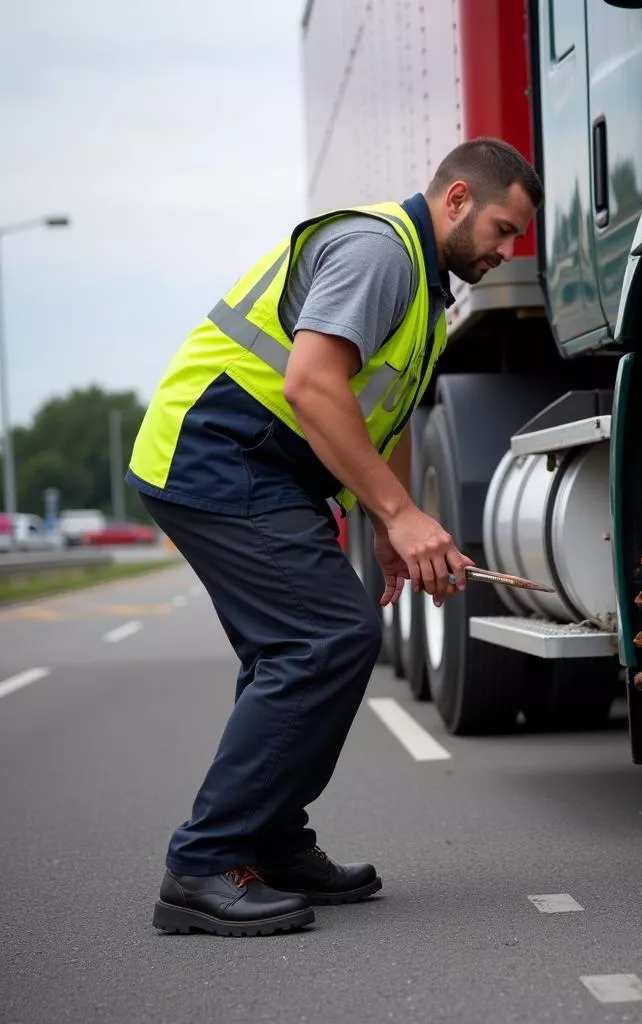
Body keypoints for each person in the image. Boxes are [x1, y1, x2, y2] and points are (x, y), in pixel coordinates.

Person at [127, 137, 543, 937]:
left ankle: (271, 842)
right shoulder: (380, 254)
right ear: (456, 200)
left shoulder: (425, 288)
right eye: (501, 230)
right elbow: (311, 383)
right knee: (325, 638)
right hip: (214, 451)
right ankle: (205, 861)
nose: (505, 251)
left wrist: (387, 525)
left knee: (299, 644)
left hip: (257, 465)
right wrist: (399, 512)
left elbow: (373, 406)